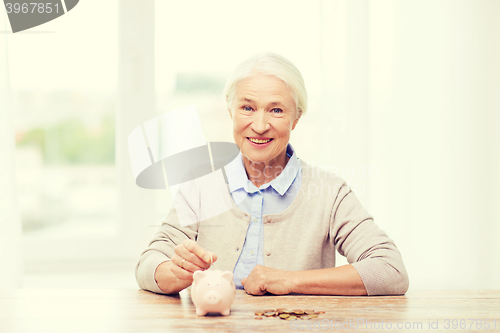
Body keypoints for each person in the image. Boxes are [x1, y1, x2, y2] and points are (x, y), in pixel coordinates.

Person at [135, 52, 409, 296]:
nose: (260, 125)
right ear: (231, 110)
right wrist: (175, 273)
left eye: (276, 110)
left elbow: (390, 270)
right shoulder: (200, 186)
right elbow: (148, 263)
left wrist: (289, 280)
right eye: (247, 108)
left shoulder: (330, 193)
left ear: (297, 118)